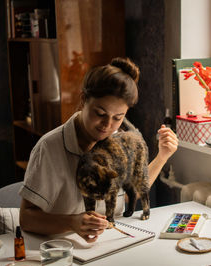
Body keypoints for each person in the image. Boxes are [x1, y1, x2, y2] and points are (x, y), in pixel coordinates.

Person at [19, 57, 178, 243]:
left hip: (108, 245)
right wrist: (72, 223)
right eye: (100, 114)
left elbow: (129, 194)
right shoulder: (49, 148)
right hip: (60, 249)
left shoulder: (118, 143)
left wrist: (162, 156)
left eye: (118, 117)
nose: (107, 125)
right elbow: (27, 218)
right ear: (84, 99)